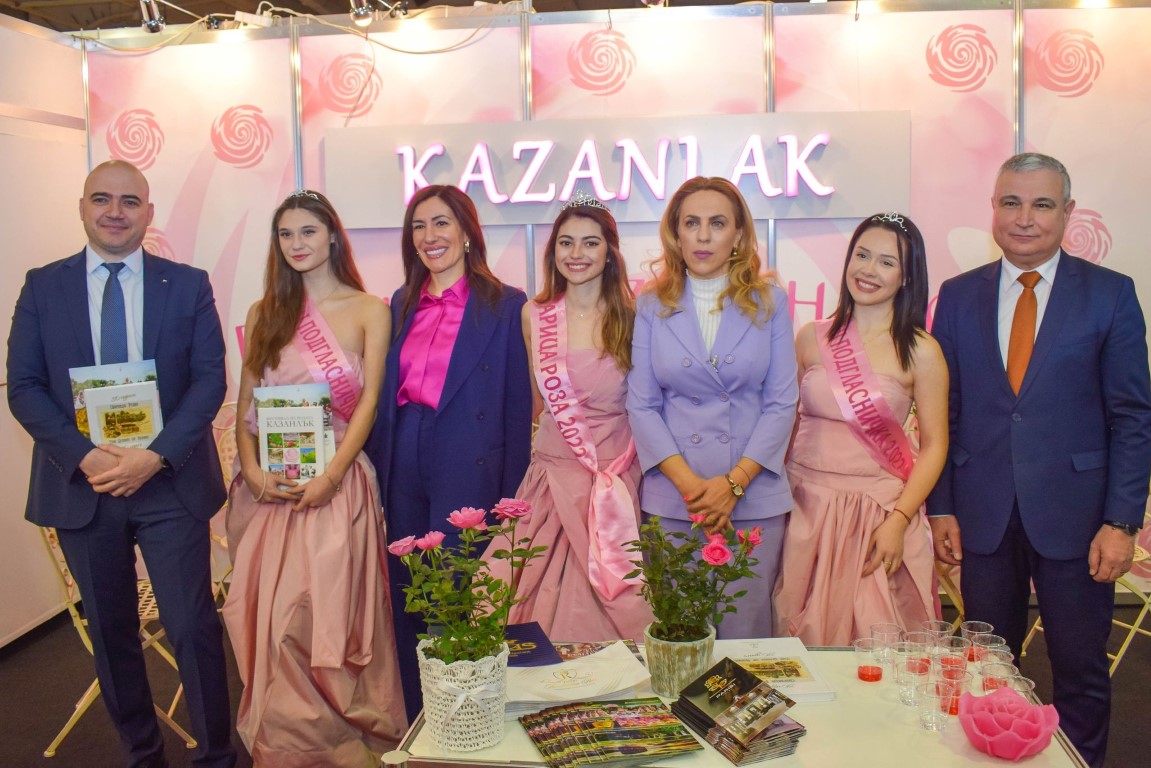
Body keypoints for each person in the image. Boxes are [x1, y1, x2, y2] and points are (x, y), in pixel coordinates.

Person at [7, 160, 236, 768]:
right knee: (111, 636)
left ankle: (217, 756)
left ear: (148, 213)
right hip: (83, 487)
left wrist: (152, 458)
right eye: (102, 199)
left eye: (130, 201)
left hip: (169, 485)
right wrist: (85, 457)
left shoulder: (187, 285)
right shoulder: (42, 286)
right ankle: (142, 756)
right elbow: (24, 387)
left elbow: (209, 382)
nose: (115, 211)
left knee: (192, 627)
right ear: (82, 208)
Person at [926, 153, 1151, 767]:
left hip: (1080, 523)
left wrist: (1121, 522)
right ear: (994, 209)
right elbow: (944, 413)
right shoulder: (957, 296)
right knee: (988, 671)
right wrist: (941, 508)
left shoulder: (1110, 294)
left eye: (1042, 204)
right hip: (982, 518)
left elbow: (1133, 416)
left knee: (1079, 673)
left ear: (1067, 213)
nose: (1024, 218)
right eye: (1011, 203)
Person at [221, 190, 406, 766]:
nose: (296, 243)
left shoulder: (370, 310)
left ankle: (348, 743)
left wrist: (332, 475)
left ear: (332, 235)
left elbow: (369, 402)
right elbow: (246, 407)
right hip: (274, 493)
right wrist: (254, 472)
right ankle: (289, 745)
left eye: (307, 231)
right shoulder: (265, 313)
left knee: (332, 618)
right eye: (286, 234)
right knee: (276, 623)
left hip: (337, 487)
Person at [366, 184, 532, 721]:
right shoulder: (401, 302)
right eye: (418, 226)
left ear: (465, 233)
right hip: (405, 454)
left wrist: (511, 496)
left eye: (441, 223)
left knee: (458, 592)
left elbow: (516, 406)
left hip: (468, 453)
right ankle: (421, 719)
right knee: (412, 588)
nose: (429, 236)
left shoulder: (504, 304)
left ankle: (466, 720)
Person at [626, 176, 798, 639]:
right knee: (680, 641)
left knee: (747, 639)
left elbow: (782, 402)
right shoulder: (651, 305)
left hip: (753, 496)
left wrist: (732, 485)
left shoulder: (770, 302)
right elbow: (642, 405)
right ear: (675, 234)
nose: (703, 236)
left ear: (738, 235)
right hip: (674, 499)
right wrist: (694, 490)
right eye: (692, 223)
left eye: (717, 223)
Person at [773, 212, 948, 646]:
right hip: (805, 507)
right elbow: (787, 425)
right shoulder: (810, 337)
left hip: (876, 514)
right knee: (795, 635)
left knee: (873, 639)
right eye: (862, 255)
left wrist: (899, 521)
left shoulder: (922, 351)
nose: (869, 270)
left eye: (887, 262)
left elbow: (934, 446)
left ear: (907, 277)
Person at [489, 194, 654, 642]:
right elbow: (535, 404)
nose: (576, 254)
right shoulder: (534, 315)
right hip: (550, 482)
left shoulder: (635, 315)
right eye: (566, 242)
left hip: (615, 483)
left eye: (590, 243)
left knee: (612, 603)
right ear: (553, 251)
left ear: (610, 252)